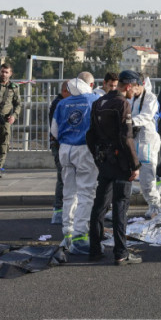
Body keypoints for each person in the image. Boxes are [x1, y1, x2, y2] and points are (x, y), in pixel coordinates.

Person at [87, 70, 142, 265]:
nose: (135, 93)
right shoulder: (122, 104)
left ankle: (94, 249)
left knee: (100, 205)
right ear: (128, 86)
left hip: (104, 161)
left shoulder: (98, 103)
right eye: (135, 89)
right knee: (120, 206)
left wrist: (97, 157)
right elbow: (126, 139)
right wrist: (135, 165)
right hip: (120, 162)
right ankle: (121, 252)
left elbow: (90, 135)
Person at [50, 72, 100, 254]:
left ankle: (68, 233)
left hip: (65, 149)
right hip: (84, 149)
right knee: (86, 193)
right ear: (90, 84)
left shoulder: (62, 103)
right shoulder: (94, 100)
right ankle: (80, 237)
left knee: (69, 193)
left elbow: (54, 131)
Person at [131, 76, 161, 219]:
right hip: (132, 139)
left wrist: (128, 122)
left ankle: (155, 206)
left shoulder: (150, 98)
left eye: (131, 86)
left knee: (147, 177)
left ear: (139, 85)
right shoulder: (130, 98)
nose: (129, 89)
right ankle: (119, 207)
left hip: (146, 140)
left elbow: (145, 116)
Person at [48, 79, 70, 225]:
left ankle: (61, 209)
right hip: (59, 144)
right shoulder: (59, 104)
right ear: (64, 91)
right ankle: (58, 209)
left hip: (61, 144)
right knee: (62, 177)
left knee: (64, 176)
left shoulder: (61, 102)